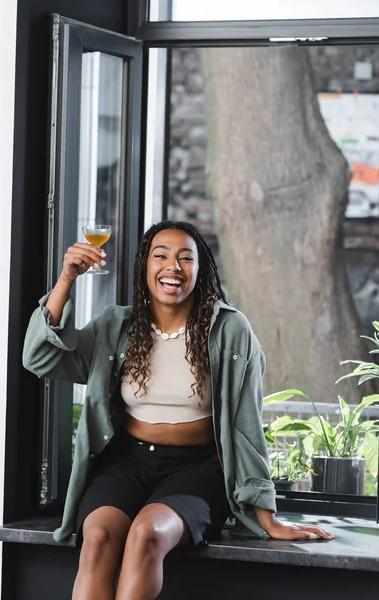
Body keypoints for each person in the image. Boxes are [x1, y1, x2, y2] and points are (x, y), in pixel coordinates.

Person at [23, 220, 333, 600]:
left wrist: (265, 514)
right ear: (145, 267)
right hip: (126, 463)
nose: (174, 266)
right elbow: (39, 357)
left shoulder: (230, 330)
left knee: (146, 535)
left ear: (200, 271)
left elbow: (246, 424)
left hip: (199, 469)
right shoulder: (116, 325)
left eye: (187, 257)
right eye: (161, 256)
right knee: (98, 536)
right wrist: (66, 279)